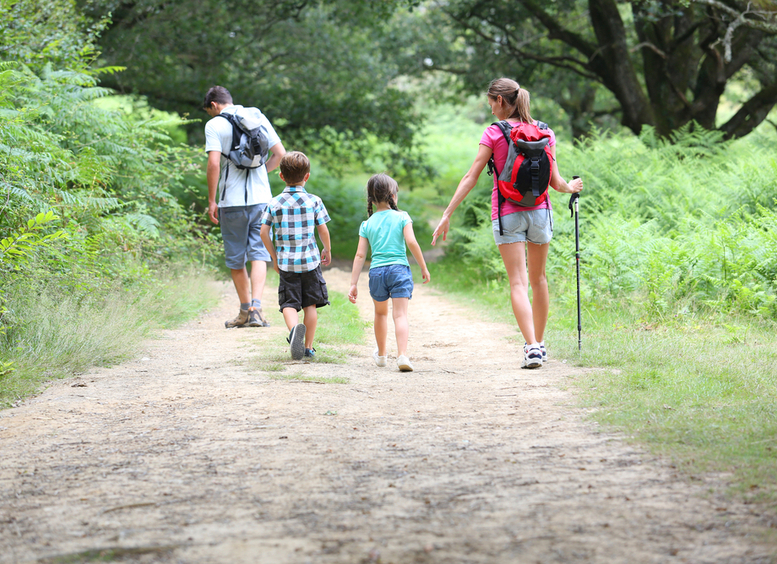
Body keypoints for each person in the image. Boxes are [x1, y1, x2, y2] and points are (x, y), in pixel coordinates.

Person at [431, 78, 583, 369]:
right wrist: (572, 187)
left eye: (490, 103)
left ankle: (532, 347)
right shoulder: (545, 132)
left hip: (507, 213)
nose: (490, 110)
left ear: (500, 101)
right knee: (539, 280)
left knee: (518, 281)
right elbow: (556, 182)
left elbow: (471, 176)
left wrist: (447, 213)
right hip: (541, 213)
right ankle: (539, 343)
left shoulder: (494, 132)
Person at [203, 85, 286, 329]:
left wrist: (211, 200)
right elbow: (280, 153)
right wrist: (261, 172)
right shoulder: (256, 116)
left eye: (210, 111)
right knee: (259, 253)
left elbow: (214, 164)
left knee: (236, 258)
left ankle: (243, 312)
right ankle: (257, 309)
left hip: (232, 202)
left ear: (214, 105)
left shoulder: (214, 125)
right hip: (262, 199)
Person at [348, 173, 430, 372]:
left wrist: (353, 283)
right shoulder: (402, 216)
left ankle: (383, 355)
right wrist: (423, 266)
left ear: (371, 199)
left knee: (380, 314)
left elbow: (360, 255)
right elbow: (411, 242)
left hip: (376, 272)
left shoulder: (367, 224)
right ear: (393, 195)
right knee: (400, 315)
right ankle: (402, 355)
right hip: (399, 270)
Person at [260, 151, 331, 361]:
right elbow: (323, 230)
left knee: (289, 304)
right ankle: (307, 347)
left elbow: (263, 232)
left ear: (281, 176)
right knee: (310, 305)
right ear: (307, 176)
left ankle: (294, 333)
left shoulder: (274, 203)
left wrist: (274, 257)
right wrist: (326, 249)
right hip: (310, 261)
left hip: (286, 263)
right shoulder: (314, 201)